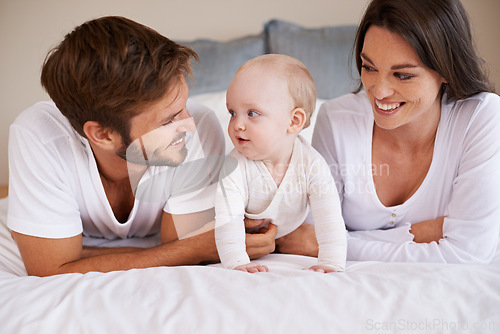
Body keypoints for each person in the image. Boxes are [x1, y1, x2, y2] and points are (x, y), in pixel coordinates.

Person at [7, 16, 277, 277]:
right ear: (102, 134)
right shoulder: (40, 136)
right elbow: (49, 269)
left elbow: (176, 250)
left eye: (184, 106)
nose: (189, 125)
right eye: (169, 120)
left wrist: (75, 257)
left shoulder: (201, 127)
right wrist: (196, 247)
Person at [310, 0, 500, 263]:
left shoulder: (480, 117)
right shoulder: (335, 120)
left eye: (402, 75)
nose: (379, 91)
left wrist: (339, 242)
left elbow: (468, 253)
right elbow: (309, 232)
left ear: (446, 69)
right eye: (369, 67)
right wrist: (420, 232)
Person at [215, 54, 347, 273]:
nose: (237, 124)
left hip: (290, 236)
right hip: (248, 239)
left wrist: (331, 262)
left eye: (252, 113)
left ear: (294, 121)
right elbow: (228, 220)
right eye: (232, 112)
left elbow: (329, 218)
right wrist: (236, 262)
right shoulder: (235, 166)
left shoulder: (312, 164)